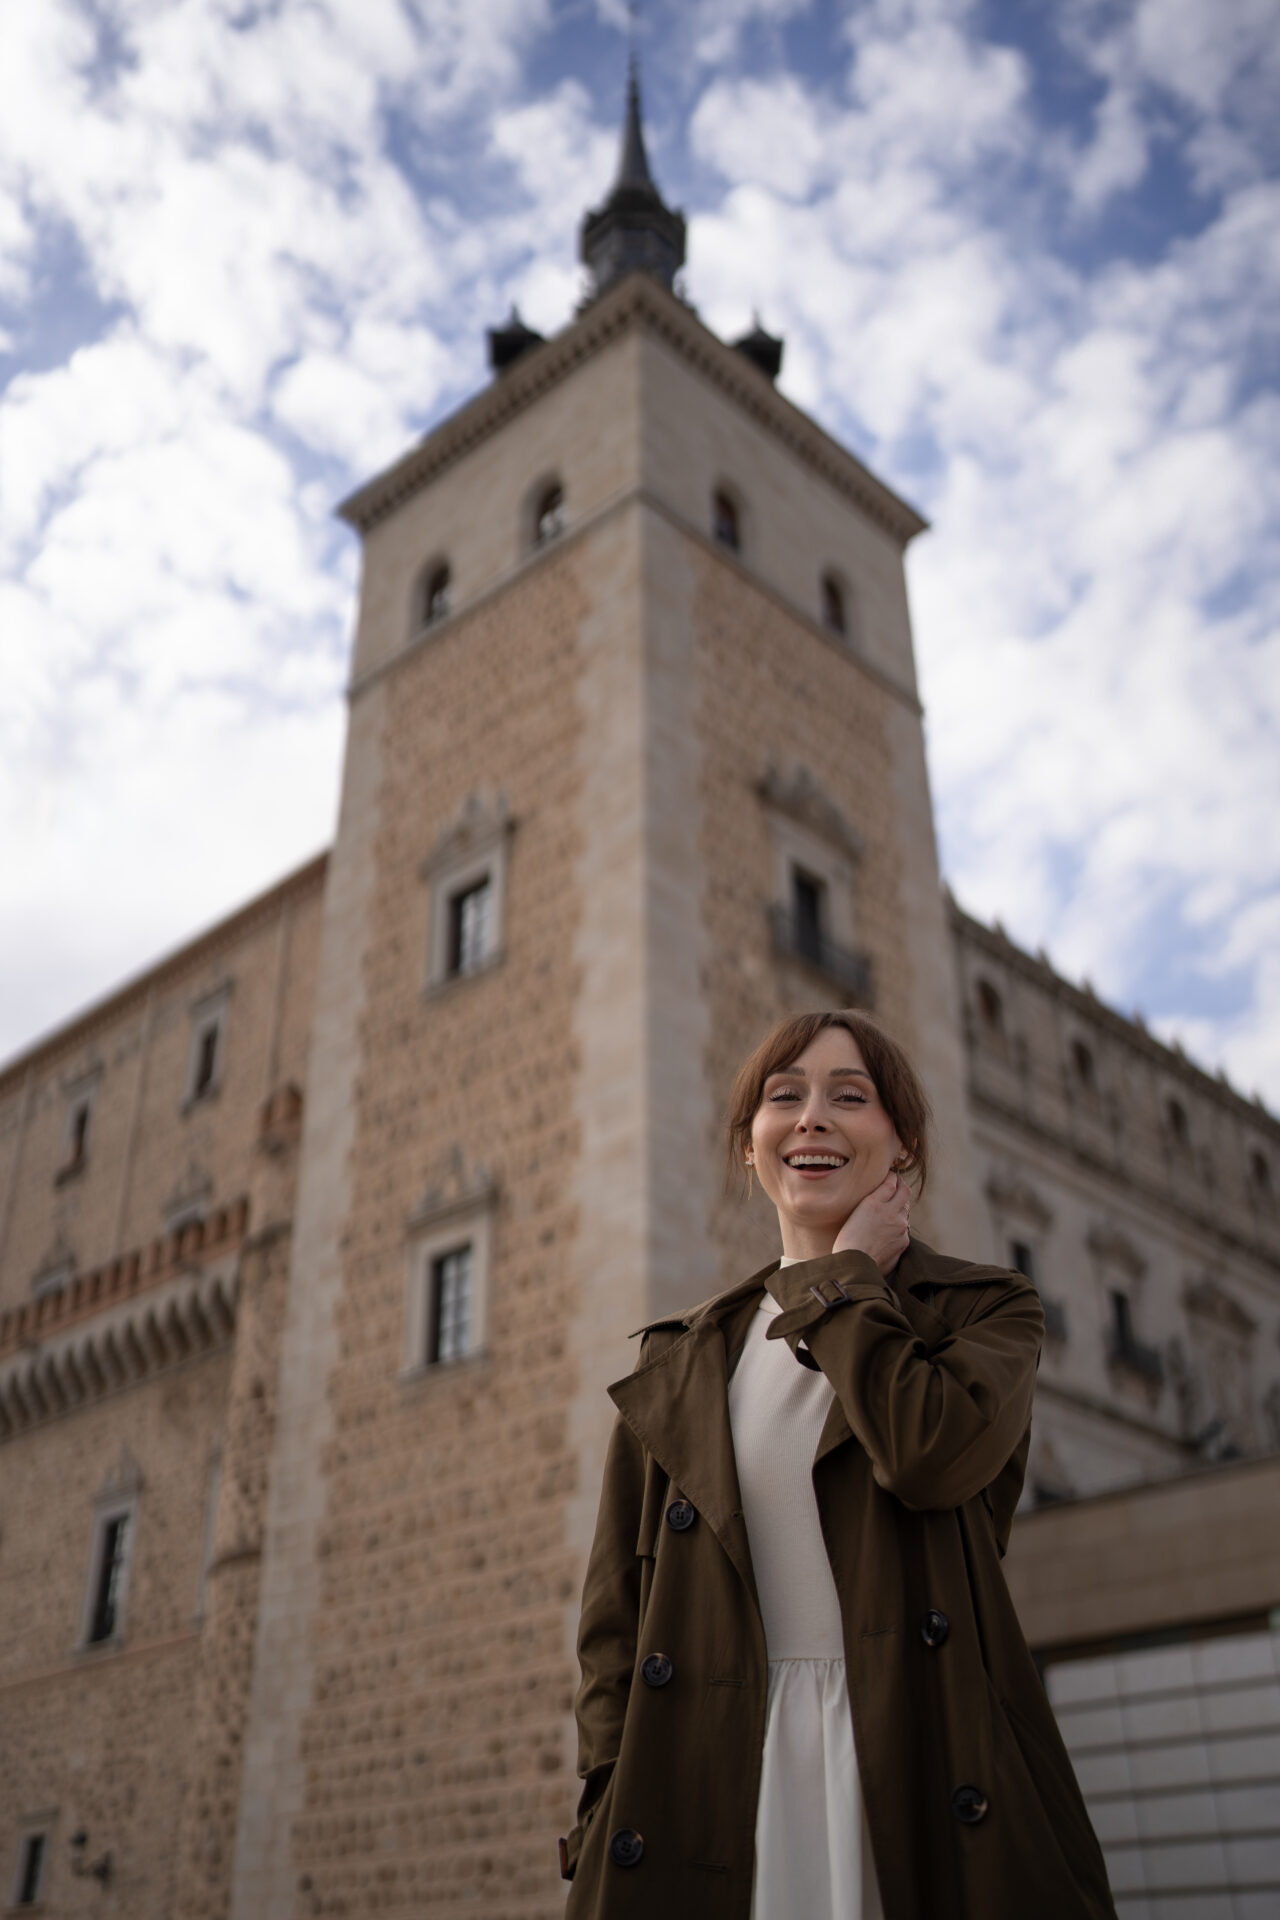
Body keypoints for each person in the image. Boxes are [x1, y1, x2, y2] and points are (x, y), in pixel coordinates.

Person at [559, 1008, 1116, 1920]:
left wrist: (848, 1277)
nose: (812, 1117)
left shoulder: (986, 1311)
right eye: (785, 1098)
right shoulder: (679, 1363)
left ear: (901, 1146)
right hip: (715, 1779)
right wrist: (605, 1810)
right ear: (750, 1146)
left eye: (849, 1097)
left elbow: (931, 1455)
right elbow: (611, 1631)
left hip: (922, 1762)